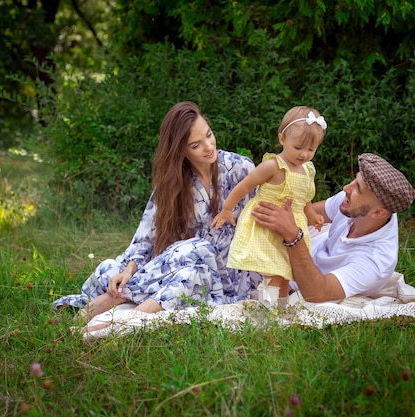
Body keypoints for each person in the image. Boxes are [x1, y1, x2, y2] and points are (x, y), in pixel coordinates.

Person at [53, 101, 262, 326]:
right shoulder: (173, 183)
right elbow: (147, 236)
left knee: (201, 247)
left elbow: (261, 221)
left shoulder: (241, 169)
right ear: (180, 150)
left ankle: (110, 301)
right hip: (191, 268)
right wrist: (129, 270)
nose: (209, 146)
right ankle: (125, 306)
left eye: (209, 135)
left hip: (227, 274)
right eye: (195, 145)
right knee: (114, 269)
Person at [251, 152, 415, 303]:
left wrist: (293, 235)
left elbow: (317, 294)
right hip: (307, 250)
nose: (346, 188)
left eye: (358, 188)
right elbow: (307, 213)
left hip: (306, 279)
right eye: (355, 181)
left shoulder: (374, 262)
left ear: (378, 213)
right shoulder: (354, 204)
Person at [211, 106, 327, 304]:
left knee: (285, 272)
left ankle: (281, 308)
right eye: (298, 148)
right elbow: (245, 185)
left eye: (311, 149)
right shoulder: (273, 166)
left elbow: (305, 199)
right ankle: (267, 312)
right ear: (282, 139)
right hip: (267, 225)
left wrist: (313, 215)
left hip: (292, 227)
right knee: (274, 270)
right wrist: (227, 208)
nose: (304, 154)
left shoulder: (307, 170)